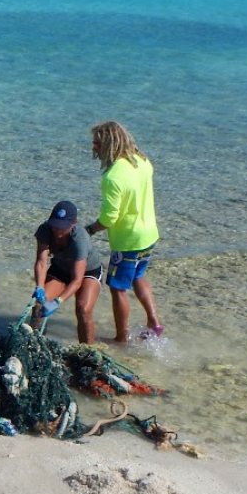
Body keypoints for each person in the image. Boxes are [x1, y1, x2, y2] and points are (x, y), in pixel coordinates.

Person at [86, 120, 163, 342]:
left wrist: (89, 230)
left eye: (97, 144)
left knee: (117, 287)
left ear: (109, 144)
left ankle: (121, 337)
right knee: (138, 276)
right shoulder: (142, 161)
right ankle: (154, 321)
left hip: (128, 240)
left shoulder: (112, 177)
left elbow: (109, 218)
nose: (94, 148)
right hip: (149, 234)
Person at [31, 200, 103, 344]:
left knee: (83, 309)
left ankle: (87, 351)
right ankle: (37, 344)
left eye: (62, 227)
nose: (57, 230)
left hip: (88, 272)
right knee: (39, 305)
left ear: (73, 223)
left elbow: (77, 281)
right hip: (60, 269)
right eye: (55, 225)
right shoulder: (45, 230)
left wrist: (58, 301)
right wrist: (39, 286)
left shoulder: (80, 239)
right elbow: (41, 261)